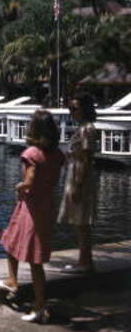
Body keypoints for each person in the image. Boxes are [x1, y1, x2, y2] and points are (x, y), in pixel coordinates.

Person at [0, 109, 66, 323]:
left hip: (31, 208)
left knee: (34, 259)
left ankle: (39, 307)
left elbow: (30, 180)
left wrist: (19, 186)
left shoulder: (31, 153)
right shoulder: (57, 154)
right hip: (46, 205)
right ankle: (13, 281)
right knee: (11, 241)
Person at [58, 93, 99, 274]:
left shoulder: (86, 129)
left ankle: (85, 263)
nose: (71, 112)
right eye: (70, 109)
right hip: (76, 174)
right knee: (79, 222)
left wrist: (78, 185)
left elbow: (86, 159)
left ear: (85, 109)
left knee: (81, 222)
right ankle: (84, 260)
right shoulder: (83, 128)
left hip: (79, 177)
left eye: (74, 109)